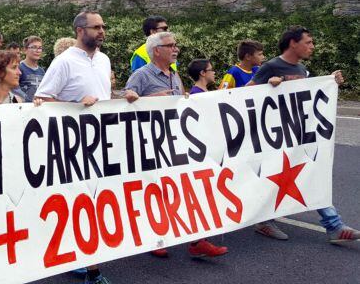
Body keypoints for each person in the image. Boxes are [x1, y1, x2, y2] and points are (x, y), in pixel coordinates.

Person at [34, 10, 137, 284]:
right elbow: (41, 101)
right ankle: (91, 270)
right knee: (78, 204)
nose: (102, 31)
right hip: (73, 146)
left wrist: (121, 97)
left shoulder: (103, 60)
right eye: (96, 27)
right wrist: (77, 105)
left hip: (103, 143)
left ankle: (84, 259)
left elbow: (101, 95)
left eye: (104, 26)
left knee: (95, 203)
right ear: (80, 30)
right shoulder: (63, 62)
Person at [247, 26, 359, 243]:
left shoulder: (303, 70)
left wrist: (330, 82)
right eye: (308, 42)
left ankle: (334, 226)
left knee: (311, 175)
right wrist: (268, 87)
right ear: (293, 43)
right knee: (271, 179)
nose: (312, 47)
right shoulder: (271, 66)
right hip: (272, 139)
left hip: (298, 137)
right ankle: (264, 221)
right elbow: (245, 95)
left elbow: (309, 97)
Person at [125, 32, 228, 258]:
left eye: (175, 45)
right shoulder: (140, 75)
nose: (176, 49)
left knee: (185, 187)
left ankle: (197, 240)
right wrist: (149, 100)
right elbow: (125, 102)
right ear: (156, 51)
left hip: (175, 141)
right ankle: (155, 238)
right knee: (155, 191)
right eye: (170, 45)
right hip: (151, 143)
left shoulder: (174, 75)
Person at [19, 36, 45, 102]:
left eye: (40, 48)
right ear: (25, 50)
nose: (37, 50)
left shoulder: (42, 71)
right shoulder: (19, 68)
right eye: (34, 47)